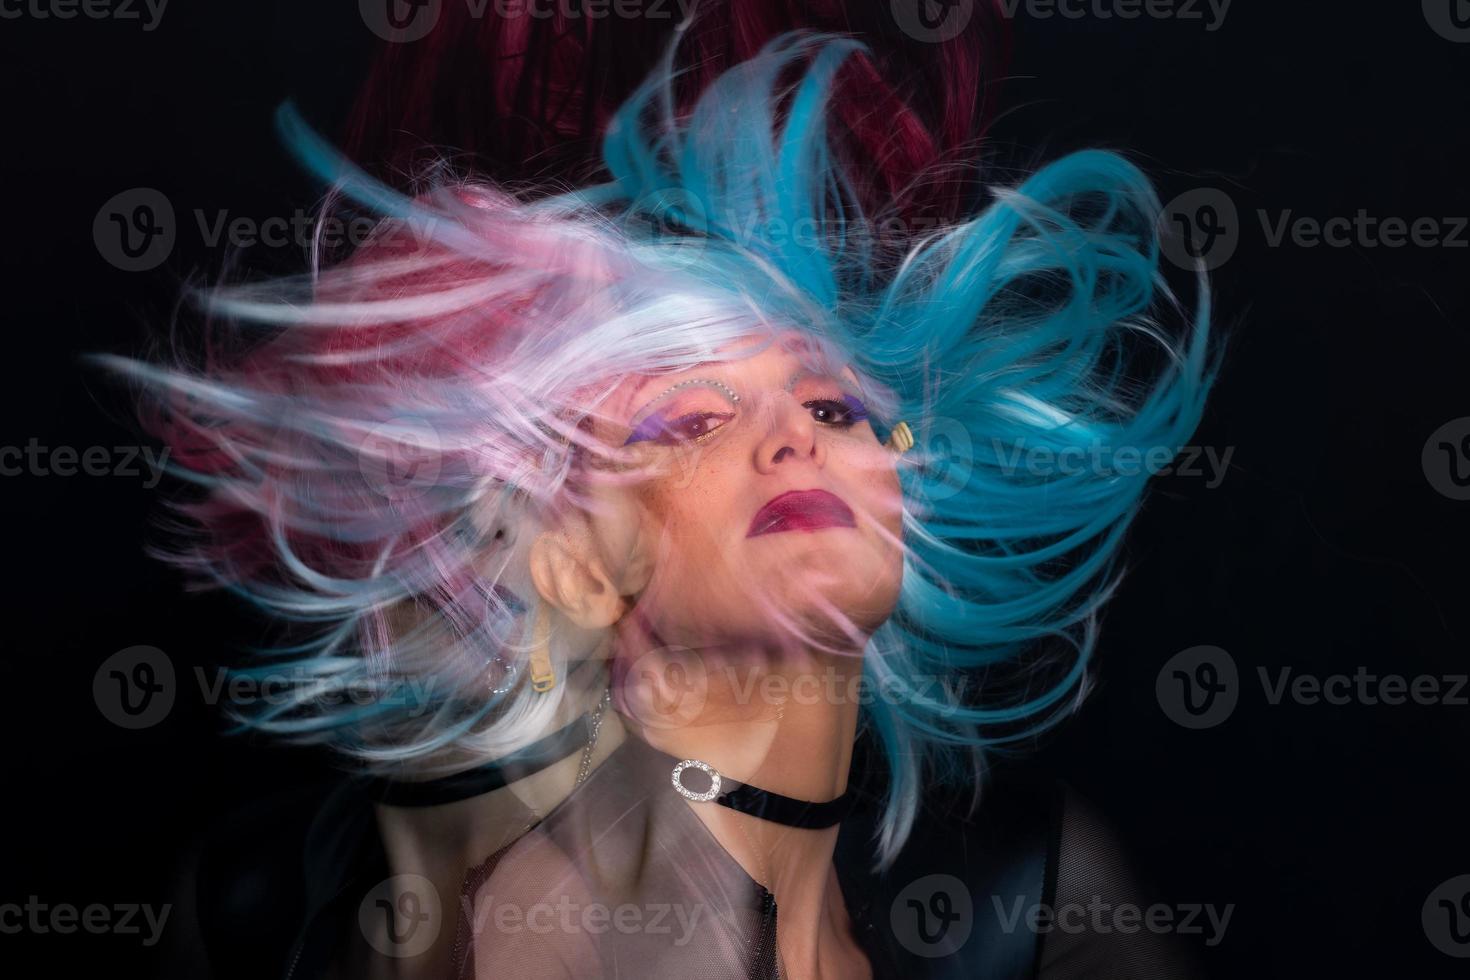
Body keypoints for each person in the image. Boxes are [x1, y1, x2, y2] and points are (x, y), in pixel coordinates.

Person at [99, 20, 1217, 980]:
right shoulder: (273, 909)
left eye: (834, 411)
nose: (792, 439)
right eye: (694, 420)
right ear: (574, 556)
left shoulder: (1030, 902)